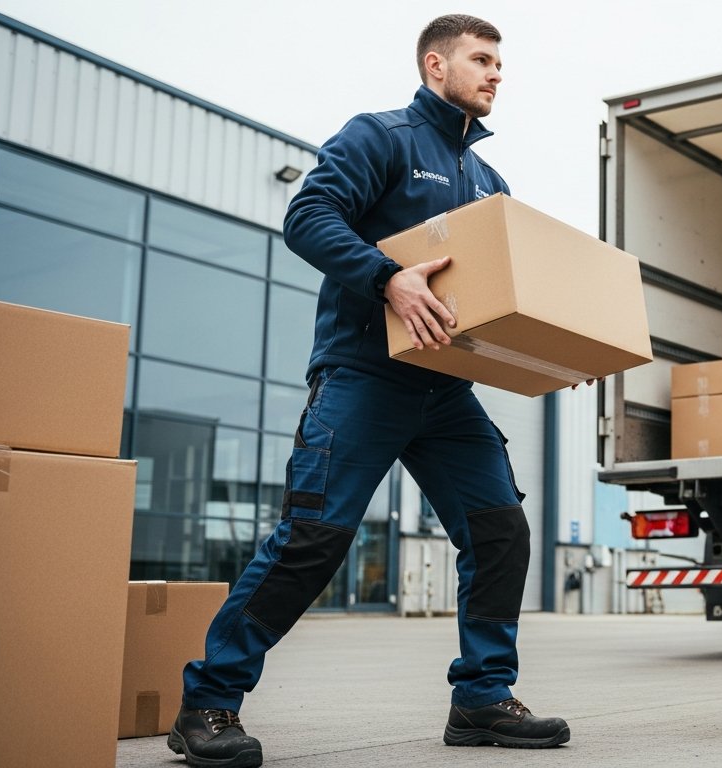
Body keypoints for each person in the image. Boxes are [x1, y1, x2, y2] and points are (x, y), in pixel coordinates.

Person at [167, 15, 571, 767]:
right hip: (363, 374)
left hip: (444, 390)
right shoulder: (380, 136)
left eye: (498, 63)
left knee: (499, 530)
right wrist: (388, 277)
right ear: (434, 65)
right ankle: (209, 704)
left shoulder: (490, 183)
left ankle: (482, 697)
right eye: (480, 60)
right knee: (312, 538)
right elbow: (308, 215)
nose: (495, 73)